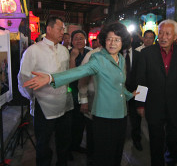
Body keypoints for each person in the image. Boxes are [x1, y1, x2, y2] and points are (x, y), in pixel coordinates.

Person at [24, 22, 139, 166]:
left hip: (121, 115)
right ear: (104, 40)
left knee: (117, 153)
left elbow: (118, 85)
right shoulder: (98, 59)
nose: (112, 43)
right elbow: (78, 72)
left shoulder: (121, 59)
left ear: (123, 42)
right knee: (104, 156)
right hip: (104, 116)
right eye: (109, 39)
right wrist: (51, 78)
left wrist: (130, 94)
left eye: (117, 39)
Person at [137, 19, 177, 166]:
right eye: (160, 33)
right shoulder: (146, 53)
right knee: (155, 140)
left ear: (175, 36)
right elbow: (141, 81)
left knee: (176, 139)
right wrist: (140, 104)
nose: (163, 37)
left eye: (167, 34)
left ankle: (171, 160)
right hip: (154, 104)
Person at [18, 16, 73, 166]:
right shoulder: (33, 50)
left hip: (64, 103)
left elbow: (66, 74)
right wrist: (34, 97)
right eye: (60, 28)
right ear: (48, 29)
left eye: (63, 29)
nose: (63, 32)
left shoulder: (64, 51)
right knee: (43, 143)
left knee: (63, 140)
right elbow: (24, 78)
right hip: (43, 105)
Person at [78, 36, 102, 165]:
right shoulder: (92, 55)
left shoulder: (117, 56)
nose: (112, 42)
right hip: (93, 100)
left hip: (109, 105)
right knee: (92, 135)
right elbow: (82, 79)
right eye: (109, 38)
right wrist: (84, 100)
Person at [69, 30, 90, 153]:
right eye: (76, 38)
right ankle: (69, 149)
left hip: (87, 92)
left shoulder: (90, 53)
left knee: (82, 123)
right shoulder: (67, 53)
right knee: (72, 123)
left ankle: (76, 145)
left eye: (81, 38)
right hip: (72, 93)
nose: (79, 41)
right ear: (72, 41)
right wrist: (73, 58)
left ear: (85, 40)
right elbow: (71, 76)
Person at [122, 37, 142, 151]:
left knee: (136, 118)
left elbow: (144, 76)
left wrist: (141, 98)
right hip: (120, 91)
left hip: (137, 91)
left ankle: (137, 140)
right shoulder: (116, 54)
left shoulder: (139, 55)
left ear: (131, 38)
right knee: (121, 116)